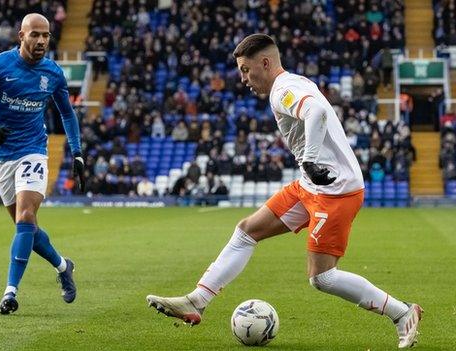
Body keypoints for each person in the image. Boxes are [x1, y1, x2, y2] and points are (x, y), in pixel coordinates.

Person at [146, 34, 422, 349]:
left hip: (336, 191)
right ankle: (197, 300)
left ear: (265, 63)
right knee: (247, 231)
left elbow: (315, 113)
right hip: (310, 185)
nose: (243, 78)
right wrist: (310, 167)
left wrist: (311, 161)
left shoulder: (283, 90)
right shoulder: (290, 84)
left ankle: (403, 313)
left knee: (323, 278)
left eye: (246, 70)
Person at [0, 13, 84, 315]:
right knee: (26, 228)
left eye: (46, 35)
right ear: (21, 36)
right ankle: (62, 265)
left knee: (25, 216)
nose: (42, 40)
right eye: (35, 35)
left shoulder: (53, 73)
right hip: (2, 155)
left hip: (34, 150)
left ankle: (10, 292)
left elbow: (67, 114)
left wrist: (77, 152)